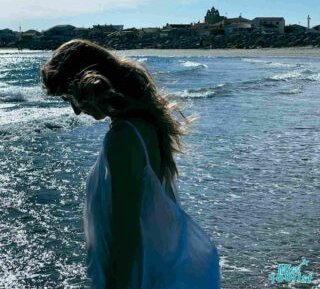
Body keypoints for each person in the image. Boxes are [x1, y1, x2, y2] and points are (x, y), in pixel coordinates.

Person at [40, 39, 220, 288]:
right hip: (158, 269)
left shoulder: (124, 139)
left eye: (70, 97)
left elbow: (126, 236)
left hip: (139, 277)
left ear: (88, 82)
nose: (76, 111)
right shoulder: (143, 125)